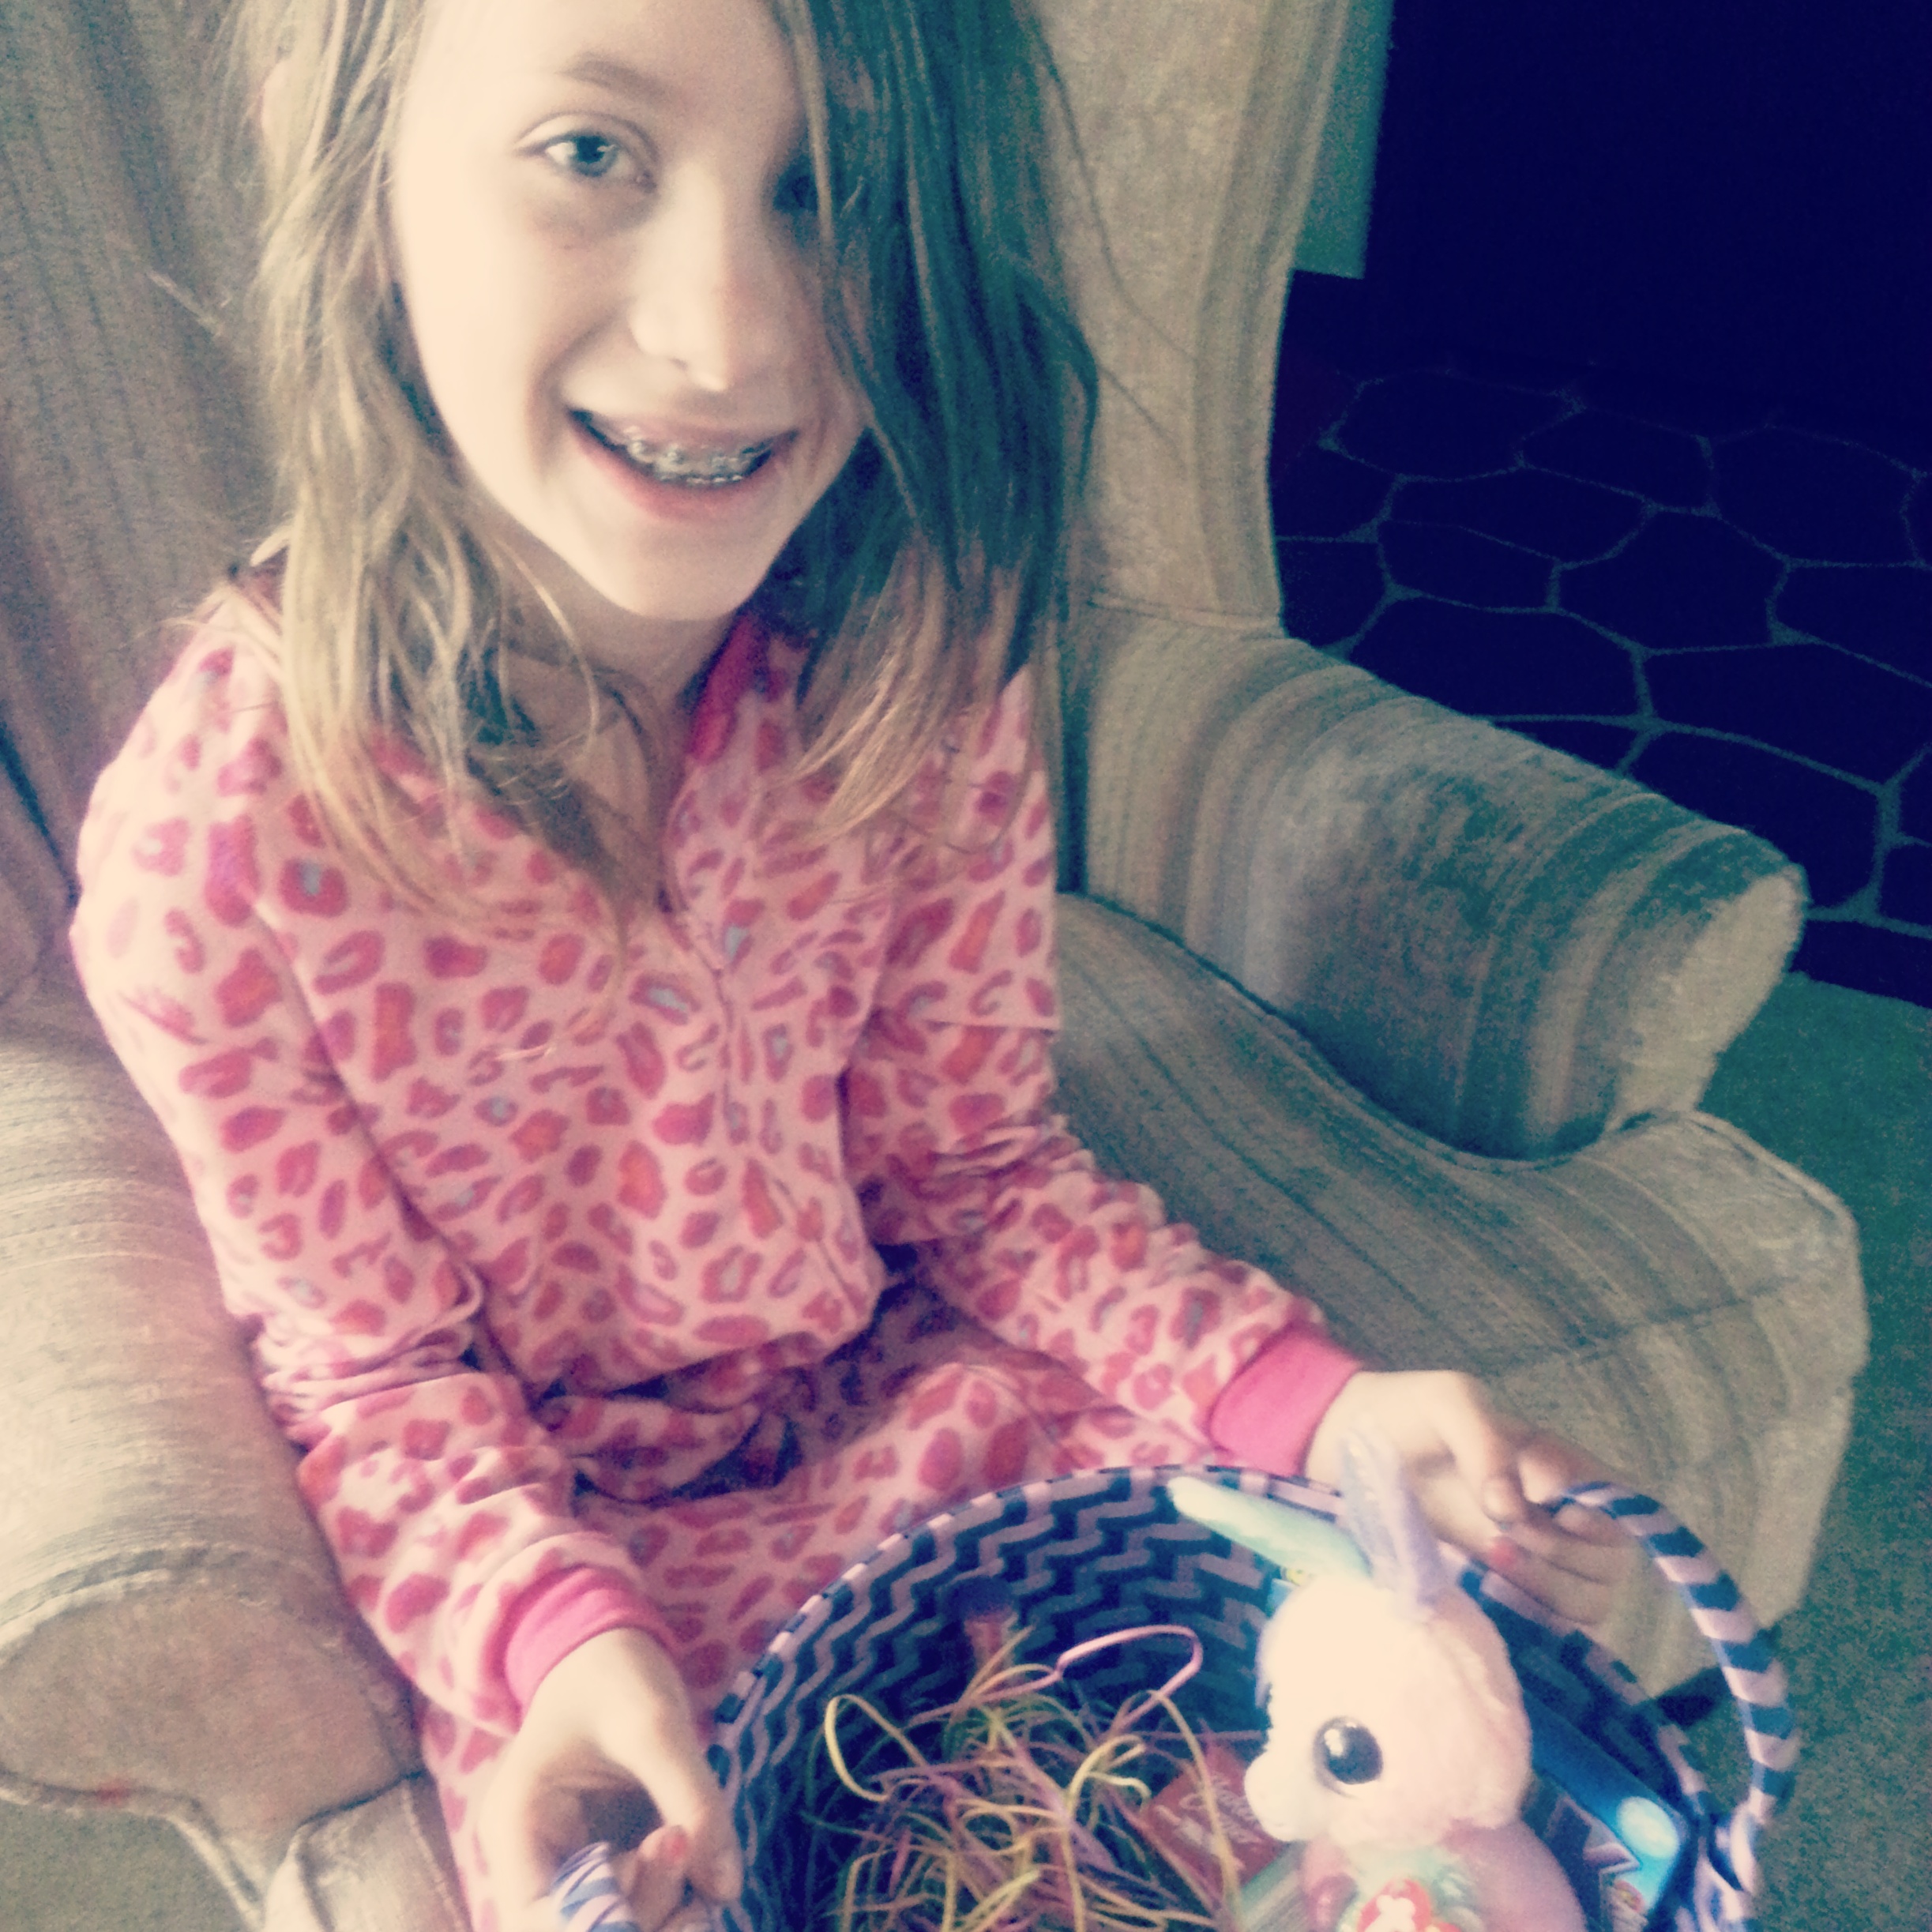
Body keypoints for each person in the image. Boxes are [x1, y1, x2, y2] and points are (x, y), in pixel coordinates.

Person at [69, 1, 1630, 1926]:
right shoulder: (215, 853)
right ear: (357, 163)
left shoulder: (917, 649)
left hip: (939, 1411)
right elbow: (374, 1383)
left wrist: (1321, 1410)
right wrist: (561, 1644)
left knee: (1381, 1712)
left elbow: (975, 1174)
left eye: (830, 188)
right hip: (581, 1558)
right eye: (589, 153)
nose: (727, 337)